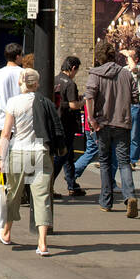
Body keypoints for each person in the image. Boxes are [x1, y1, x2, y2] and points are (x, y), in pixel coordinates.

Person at [0, 68, 63, 256]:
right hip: (41, 152)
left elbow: (6, 134)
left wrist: (1, 159)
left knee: (14, 194)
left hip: (19, 151)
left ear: (21, 83)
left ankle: (6, 233)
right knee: (42, 197)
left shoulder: (14, 102)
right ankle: (42, 243)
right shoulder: (45, 102)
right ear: (37, 83)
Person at [84, 41, 140, 216]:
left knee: (105, 162)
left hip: (103, 124)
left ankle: (106, 201)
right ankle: (129, 196)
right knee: (124, 162)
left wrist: (91, 118)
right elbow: (136, 97)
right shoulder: (126, 75)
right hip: (122, 123)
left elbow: (89, 97)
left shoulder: (95, 74)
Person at [0, 44, 24, 183]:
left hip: (2, 122)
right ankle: (17, 190)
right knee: (19, 160)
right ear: (17, 56)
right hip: (20, 123)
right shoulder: (24, 73)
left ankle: (1, 187)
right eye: (21, 55)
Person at [51, 56, 86, 197]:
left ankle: (72, 184)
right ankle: (48, 184)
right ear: (73, 68)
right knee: (62, 155)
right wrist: (83, 102)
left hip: (56, 121)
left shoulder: (54, 79)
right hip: (67, 123)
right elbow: (73, 105)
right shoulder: (70, 84)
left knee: (69, 155)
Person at [123, 46, 140, 168]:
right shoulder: (123, 69)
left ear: (136, 59)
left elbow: (134, 68)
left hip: (135, 105)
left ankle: (132, 160)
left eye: (130, 57)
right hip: (124, 105)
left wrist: (128, 54)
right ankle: (123, 158)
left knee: (134, 134)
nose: (127, 59)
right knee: (123, 133)